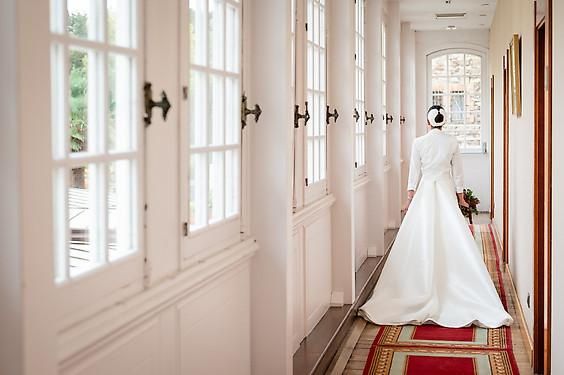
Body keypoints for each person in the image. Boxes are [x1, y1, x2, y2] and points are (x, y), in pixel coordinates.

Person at [359, 105, 513, 328]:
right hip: (444, 190)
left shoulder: (419, 142)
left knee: (420, 235)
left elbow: (414, 173)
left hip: (425, 193)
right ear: (443, 121)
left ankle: (417, 286)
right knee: (451, 236)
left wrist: (410, 198)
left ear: (428, 121)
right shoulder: (451, 142)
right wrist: (461, 198)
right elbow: (458, 173)